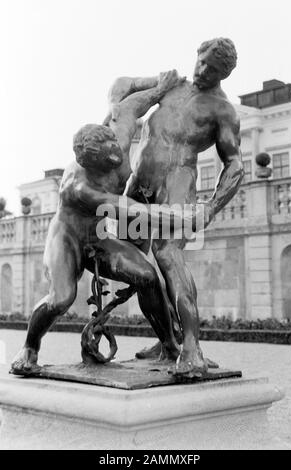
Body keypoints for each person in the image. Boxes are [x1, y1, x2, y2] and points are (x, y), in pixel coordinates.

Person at [11, 70, 193, 375]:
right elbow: (125, 206)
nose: (116, 157)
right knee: (61, 298)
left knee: (147, 275)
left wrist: (160, 86)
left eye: (115, 149)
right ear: (88, 163)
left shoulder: (116, 139)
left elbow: (127, 94)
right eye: (107, 157)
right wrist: (179, 216)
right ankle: (29, 347)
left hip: (97, 235)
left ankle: (170, 347)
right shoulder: (78, 186)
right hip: (67, 238)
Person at [123, 38, 244, 376]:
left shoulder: (223, 110)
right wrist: (153, 86)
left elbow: (235, 164)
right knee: (130, 263)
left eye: (213, 70)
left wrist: (212, 206)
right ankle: (168, 342)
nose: (203, 71)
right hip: (137, 186)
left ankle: (192, 348)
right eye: (202, 62)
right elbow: (123, 86)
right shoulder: (171, 85)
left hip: (176, 189)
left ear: (225, 75)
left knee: (167, 256)